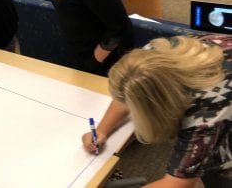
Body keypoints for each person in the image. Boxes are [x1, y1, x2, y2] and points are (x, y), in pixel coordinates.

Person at [82, 35, 232, 187]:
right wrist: (101, 131)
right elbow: (129, 92)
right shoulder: (149, 56)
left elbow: (177, 183)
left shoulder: (206, 112)